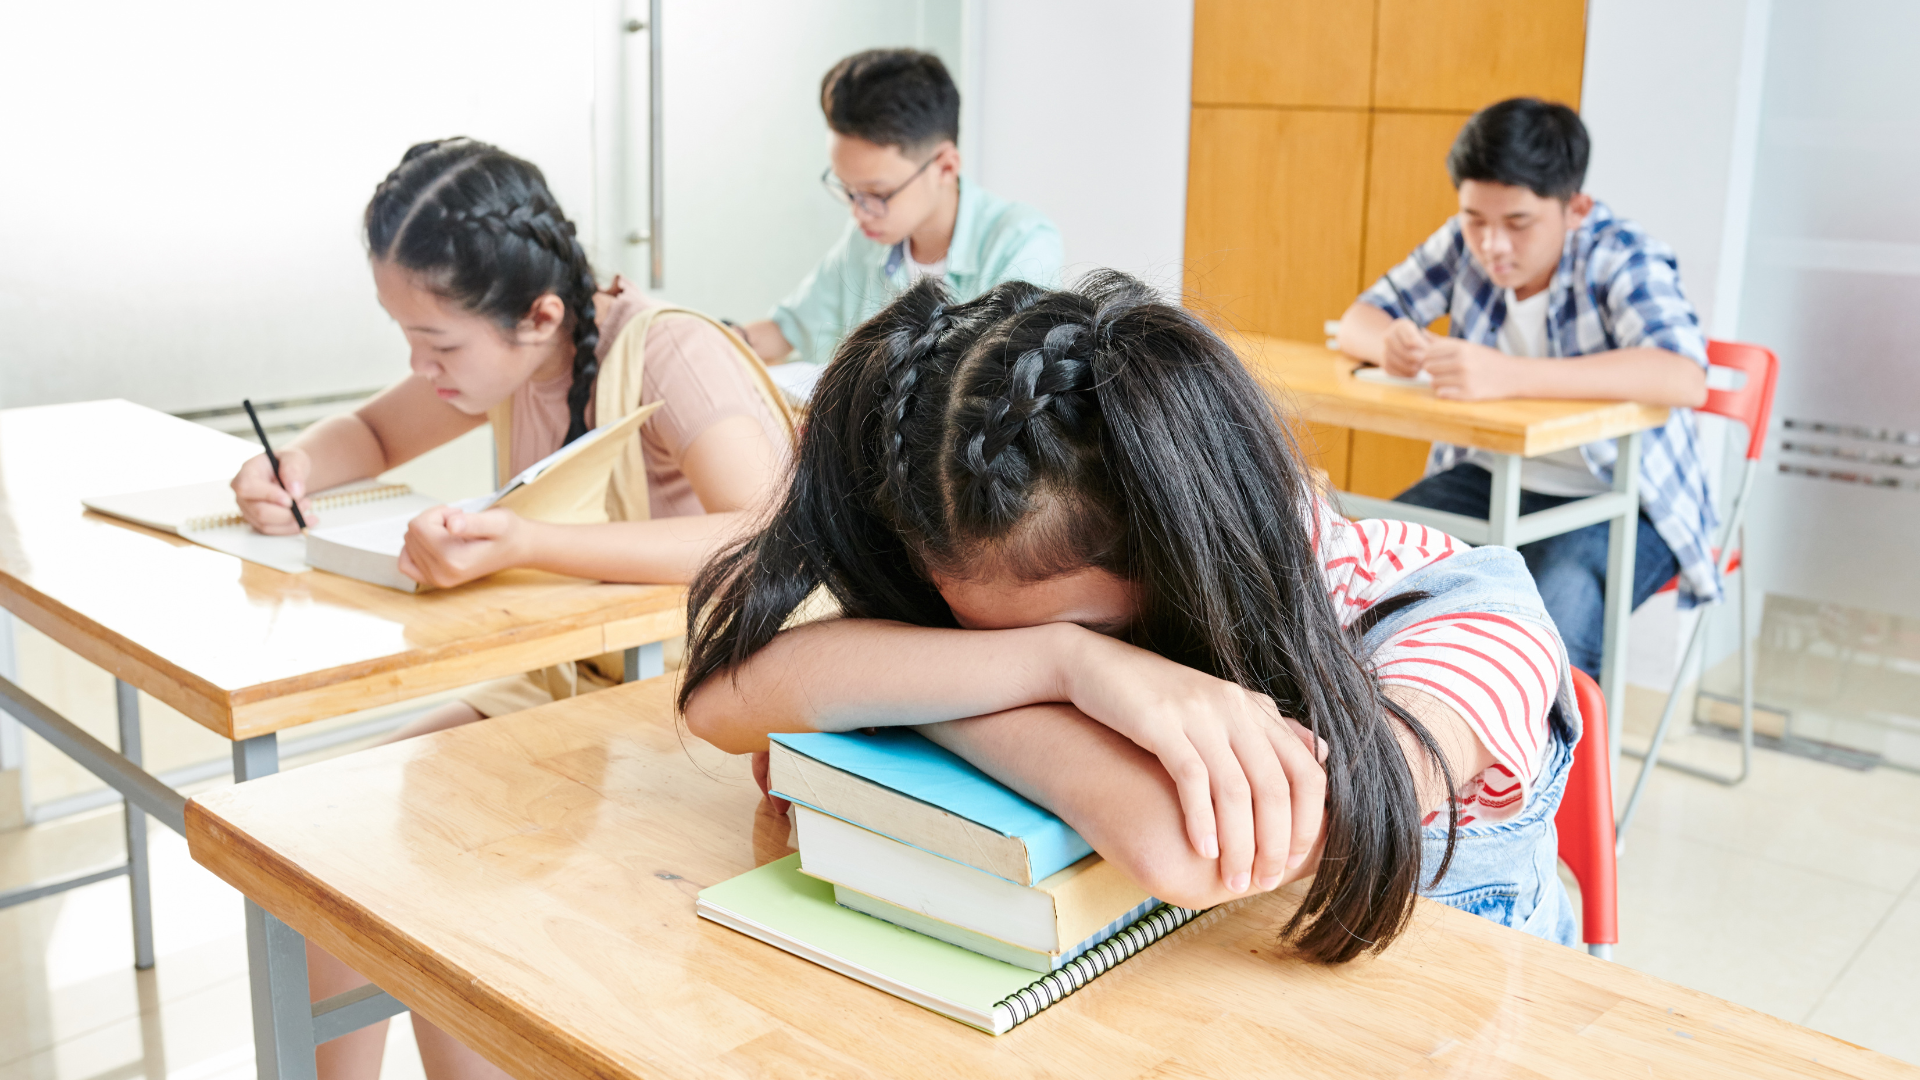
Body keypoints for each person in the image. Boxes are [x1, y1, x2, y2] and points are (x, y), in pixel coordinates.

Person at [683, 272, 1581, 963]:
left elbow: (1184, 850)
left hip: (1457, 1014)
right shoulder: (1044, 594)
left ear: (1178, 565)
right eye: (980, 639)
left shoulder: (1472, 623)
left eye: (1087, 633)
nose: (996, 657)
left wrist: (911, 696)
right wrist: (1068, 666)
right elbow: (723, 702)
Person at [228, 138, 793, 1080]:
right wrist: (292, 467)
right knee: (321, 850)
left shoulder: (670, 350)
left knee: (420, 867)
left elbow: (765, 532)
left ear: (540, 315)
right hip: (562, 688)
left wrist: (527, 543)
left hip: (689, 706)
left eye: (439, 343)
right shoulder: (516, 358)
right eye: (406, 335)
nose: (421, 365)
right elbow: (371, 432)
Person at [1335, 97, 1719, 678]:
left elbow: (1684, 375)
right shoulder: (1465, 242)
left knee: (1554, 613)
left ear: (1575, 208)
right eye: (1475, 219)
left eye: (1518, 223)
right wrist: (1389, 341)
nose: (1493, 244)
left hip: (1622, 494)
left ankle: (1545, 740)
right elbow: (1359, 318)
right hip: (1495, 476)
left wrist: (1508, 375)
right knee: (1367, 568)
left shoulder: (1619, 254)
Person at [735, 48, 1062, 383]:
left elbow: (999, 385)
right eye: (848, 190)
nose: (859, 212)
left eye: (877, 194)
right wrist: (726, 338)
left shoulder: (1020, 244)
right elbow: (788, 328)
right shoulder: (866, 241)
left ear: (945, 167)